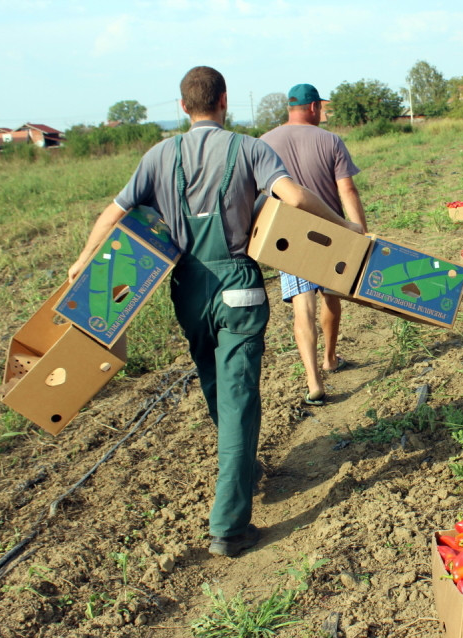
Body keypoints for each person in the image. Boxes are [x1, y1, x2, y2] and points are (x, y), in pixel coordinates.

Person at [67, 66, 361, 557]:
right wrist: (342, 225)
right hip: (237, 285)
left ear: (184, 107)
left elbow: (114, 213)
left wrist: (82, 261)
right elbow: (293, 196)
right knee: (239, 395)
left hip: (188, 290)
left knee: (215, 385)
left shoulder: (158, 155)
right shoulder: (248, 149)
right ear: (224, 100)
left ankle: (242, 467)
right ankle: (230, 526)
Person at [260, 83, 367, 406]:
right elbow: (347, 189)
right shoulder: (330, 140)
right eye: (320, 107)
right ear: (312, 107)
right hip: (332, 234)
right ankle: (330, 358)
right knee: (331, 297)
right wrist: (360, 232)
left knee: (302, 307)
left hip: (289, 238)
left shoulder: (263, 143)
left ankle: (313, 380)